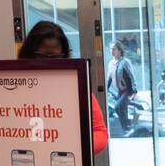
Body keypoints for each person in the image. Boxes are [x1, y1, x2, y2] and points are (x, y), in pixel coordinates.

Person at [19, 20, 107, 153]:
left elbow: (100, 133)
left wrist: (72, 148)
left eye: (55, 58)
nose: (48, 63)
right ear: (29, 54)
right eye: (42, 57)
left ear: (65, 57)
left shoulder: (76, 87)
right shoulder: (13, 86)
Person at [106, 41, 138, 137]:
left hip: (127, 91)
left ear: (119, 51)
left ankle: (127, 127)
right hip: (119, 91)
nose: (111, 51)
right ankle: (127, 129)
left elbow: (132, 76)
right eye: (110, 49)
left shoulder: (125, 62)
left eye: (114, 49)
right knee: (122, 110)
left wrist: (135, 90)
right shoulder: (110, 63)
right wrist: (105, 89)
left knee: (117, 107)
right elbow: (109, 78)